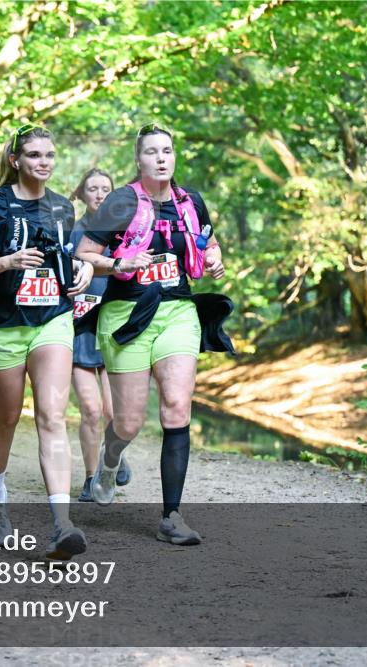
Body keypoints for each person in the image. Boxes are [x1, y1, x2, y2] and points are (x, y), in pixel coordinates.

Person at [76, 124, 225, 546]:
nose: (161, 158)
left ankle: (171, 516)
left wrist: (214, 260)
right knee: (128, 421)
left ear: (174, 157)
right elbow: (84, 252)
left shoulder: (190, 201)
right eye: (152, 152)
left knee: (177, 408)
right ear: (138, 160)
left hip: (177, 310)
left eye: (167, 151)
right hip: (126, 314)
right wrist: (117, 265)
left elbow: (207, 245)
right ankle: (109, 458)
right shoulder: (122, 201)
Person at [0, 124, 94, 560]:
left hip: (51, 320)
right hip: (2, 325)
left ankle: (61, 524)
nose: (44, 163)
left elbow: (70, 258)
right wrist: (8, 261)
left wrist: (82, 272)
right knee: (7, 415)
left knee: (52, 416)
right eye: (35, 155)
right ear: (16, 160)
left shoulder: (61, 208)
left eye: (50, 155)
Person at [68, 168, 131, 502]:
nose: (100, 194)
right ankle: (91, 479)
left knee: (113, 412)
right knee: (90, 410)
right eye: (92, 188)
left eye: (106, 189)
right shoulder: (71, 233)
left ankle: (114, 457)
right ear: (82, 194)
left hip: (114, 328)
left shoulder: (125, 233)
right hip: (79, 330)